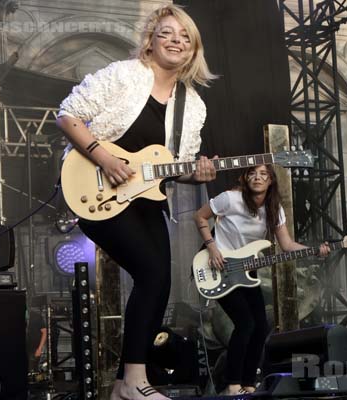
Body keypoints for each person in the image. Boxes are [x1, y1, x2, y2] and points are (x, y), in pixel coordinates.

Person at [56, 5, 217, 400]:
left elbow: (175, 167)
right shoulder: (124, 76)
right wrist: (104, 158)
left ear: (193, 48)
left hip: (147, 198)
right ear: (151, 40)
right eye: (168, 33)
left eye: (185, 36)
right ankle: (133, 380)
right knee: (150, 271)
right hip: (94, 189)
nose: (177, 41)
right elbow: (68, 114)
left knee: (159, 280)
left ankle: (122, 386)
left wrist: (197, 173)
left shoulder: (192, 105)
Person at [194, 164, 330, 395]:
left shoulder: (274, 209)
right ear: (245, 178)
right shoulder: (230, 199)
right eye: (253, 173)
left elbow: (286, 246)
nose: (258, 177)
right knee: (245, 323)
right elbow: (200, 216)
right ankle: (232, 384)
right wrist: (212, 247)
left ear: (270, 182)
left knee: (259, 327)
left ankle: (248, 383)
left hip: (247, 271)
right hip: (218, 265)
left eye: (264, 174)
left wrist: (315, 251)